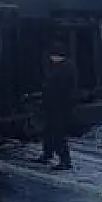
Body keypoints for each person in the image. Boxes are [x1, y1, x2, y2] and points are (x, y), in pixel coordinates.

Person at [36, 39, 76, 170]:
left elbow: (60, 89)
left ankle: (65, 160)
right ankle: (47, 153)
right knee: (48, 131)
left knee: (58, 133)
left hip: (60, 106)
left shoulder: (64, 68)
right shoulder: (60, 66)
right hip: (53, 105)